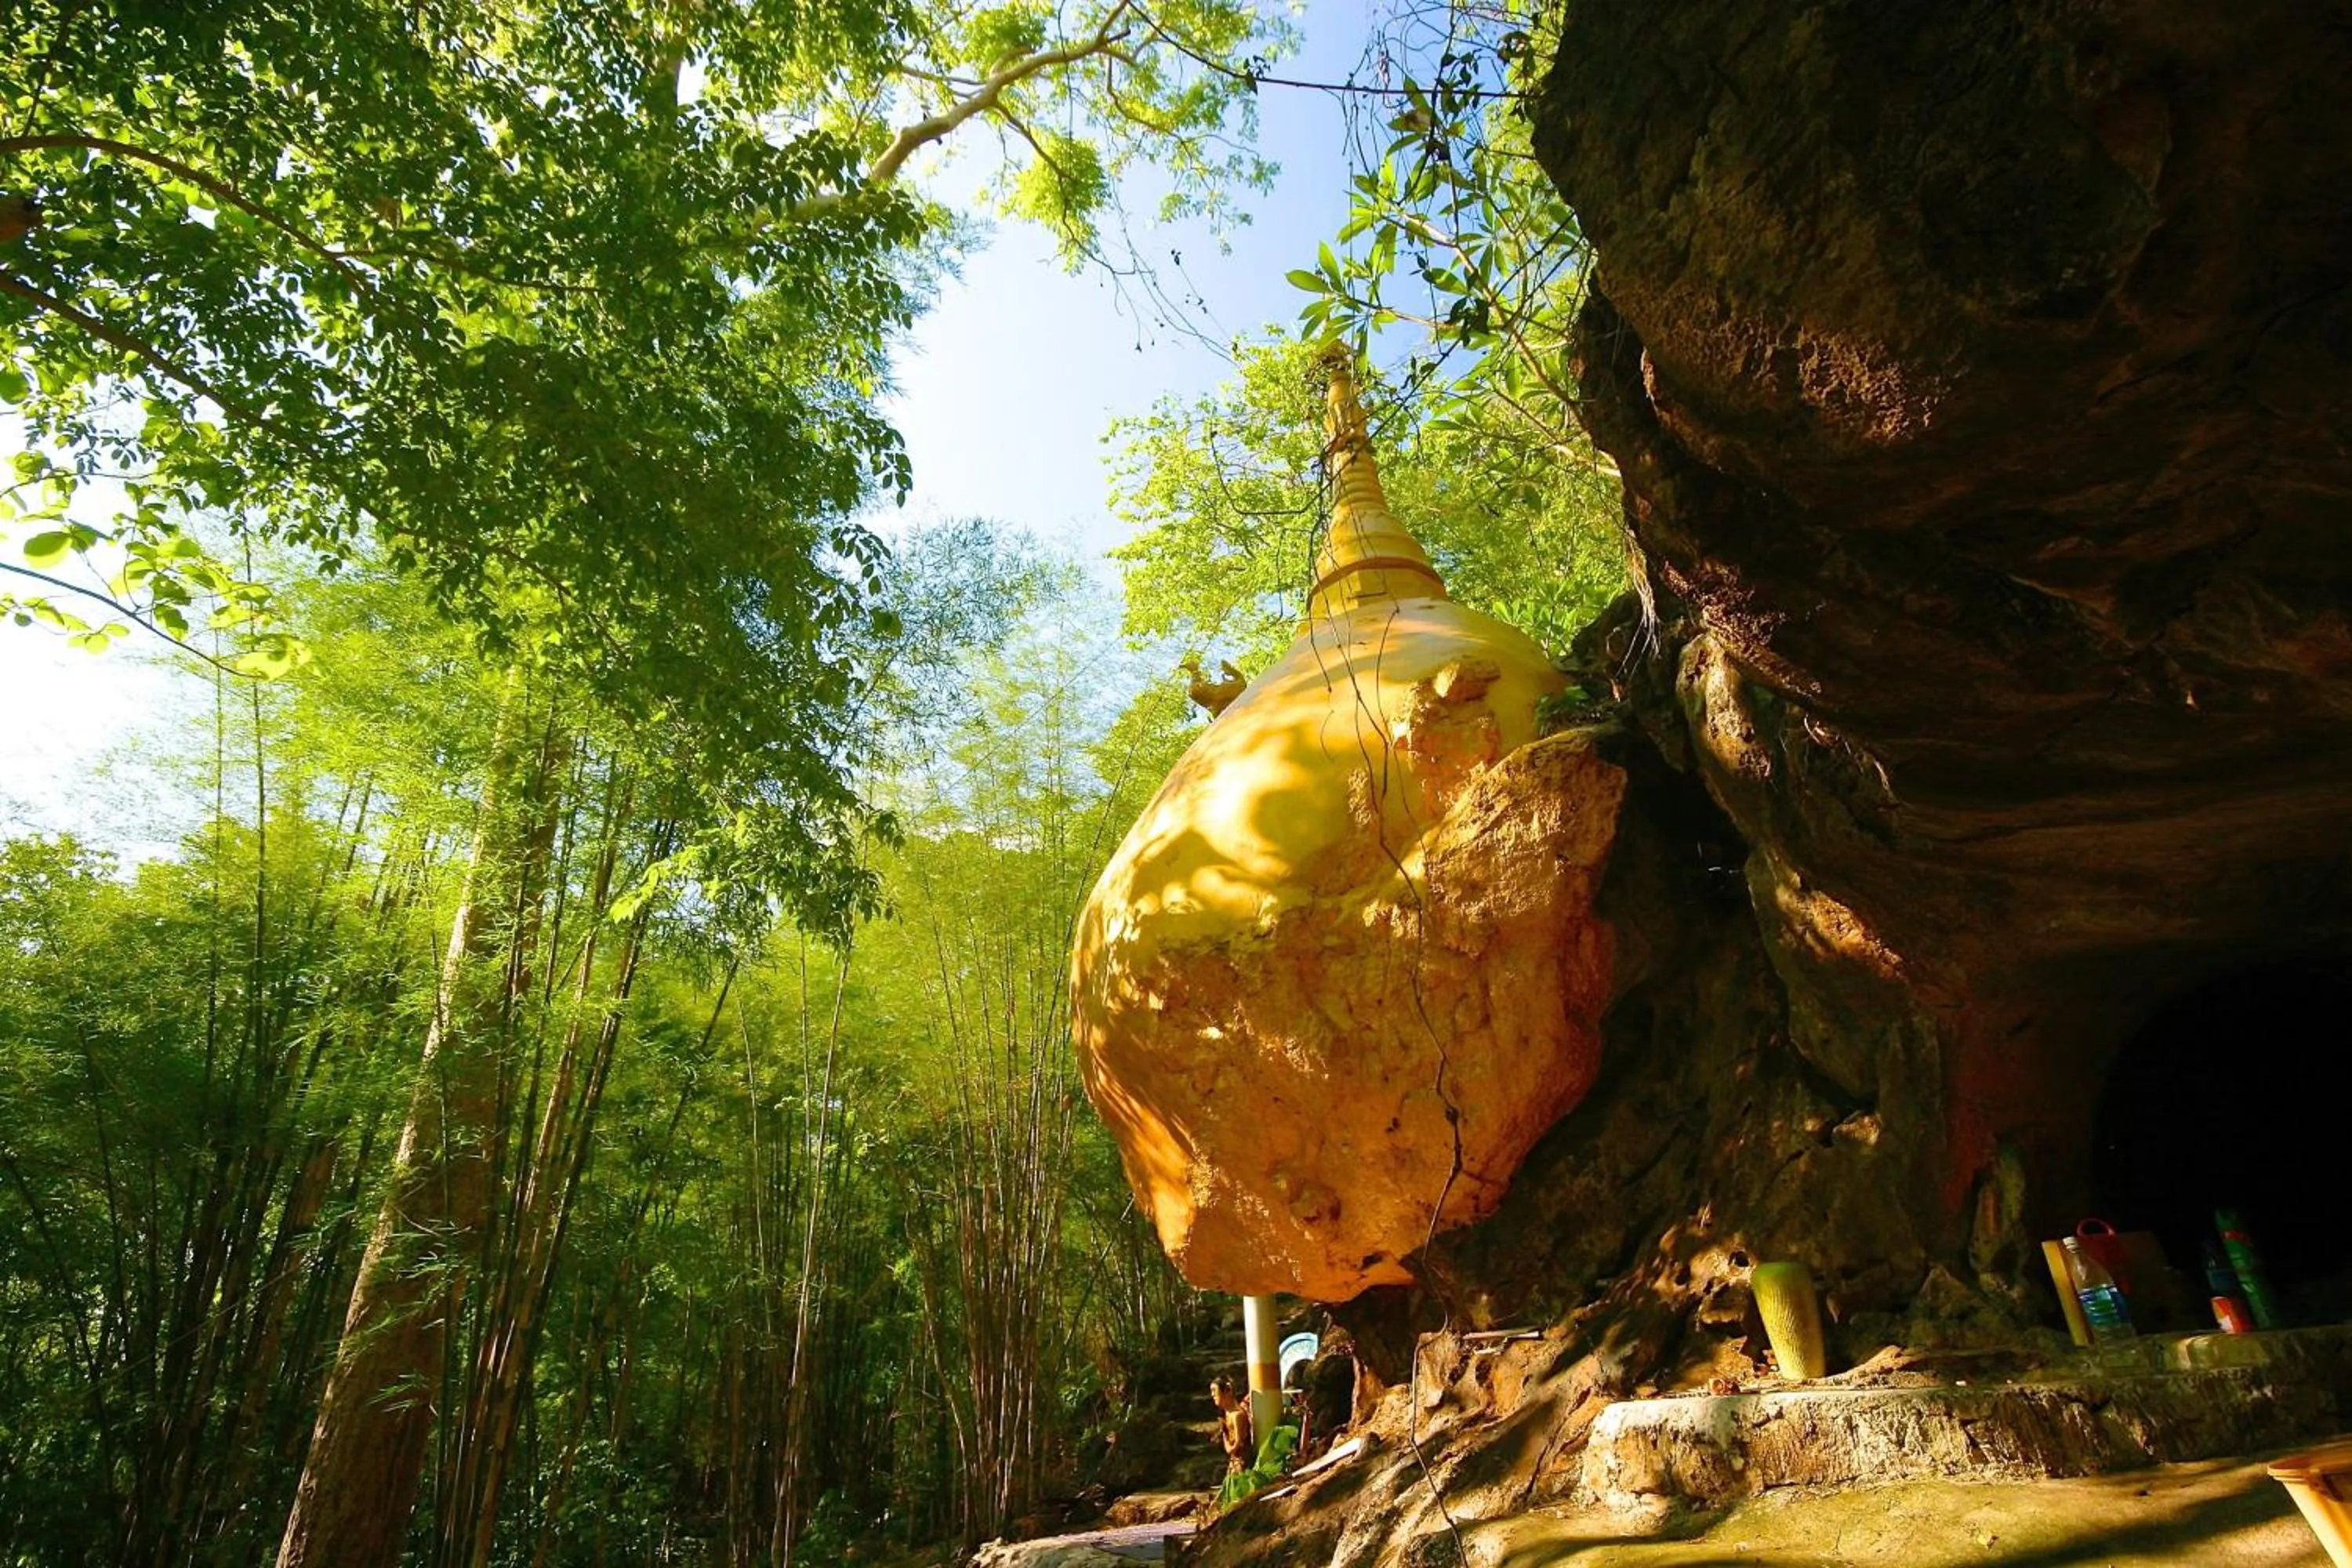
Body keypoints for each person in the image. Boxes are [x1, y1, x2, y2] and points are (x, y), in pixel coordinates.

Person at [1209, 1374, 1254, 1475]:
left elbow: (1238, 1443)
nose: (1212, 1395)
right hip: (1234, 1461)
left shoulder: (1237, 1415)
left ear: (1227, 1391)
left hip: (1241, 1461)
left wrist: (1230, 1449)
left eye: (1214, 1391)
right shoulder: (1227, 1414)